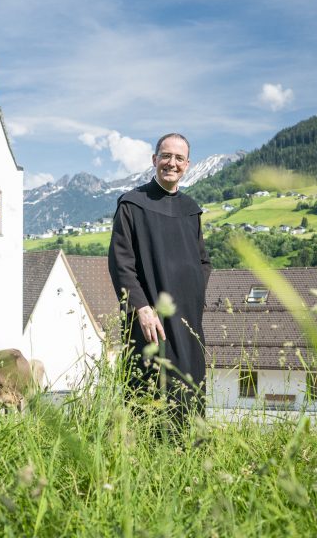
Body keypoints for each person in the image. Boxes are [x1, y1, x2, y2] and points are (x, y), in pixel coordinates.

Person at [108, 132, 212, 421]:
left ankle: (186, 459)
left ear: (187, 165)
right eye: (166, 156)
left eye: (179, 158)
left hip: (187, 321)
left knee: (188, 398)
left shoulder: (191, 211)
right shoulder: (132, 204)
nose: (171, 163)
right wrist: (140, 307)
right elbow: (121, 263)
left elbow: (203, 262)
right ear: (154, 160)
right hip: (148, 321)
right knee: (148, 397)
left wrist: (193, 300)